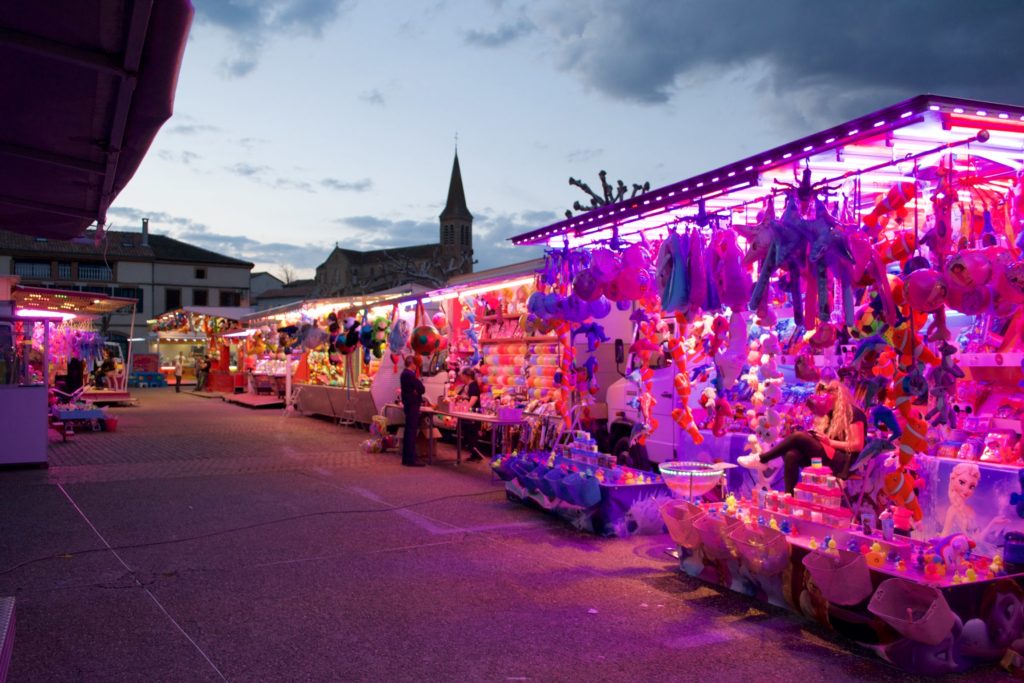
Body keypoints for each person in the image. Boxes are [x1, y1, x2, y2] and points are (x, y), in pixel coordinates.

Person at [738, 378, 866, 493]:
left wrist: (829, 442)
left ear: (838, 396)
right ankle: (790, 498)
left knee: (798, 436)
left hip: (842, 463)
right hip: (826, 458)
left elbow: (857, 445)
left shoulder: (853, 413)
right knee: (791, 454)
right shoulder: (830, 415)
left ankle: (763, 459)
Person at [400, 355, 427, 467]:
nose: (416, 366)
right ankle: (411, 459)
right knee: (411, 431)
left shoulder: (403, 374)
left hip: (408, 404)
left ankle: (406, 458)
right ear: (411, 364)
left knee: (408, 430)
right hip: (412, 405)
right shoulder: (409, 374)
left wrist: (416, 391)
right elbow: (421, 388)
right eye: (415, 364)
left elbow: (418, 389)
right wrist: (416, 391)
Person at [942, 461, 981, 536]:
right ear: (953, 479)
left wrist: (993, 523)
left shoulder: (971, 510)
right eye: (962, 483)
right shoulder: (952, 510)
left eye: (971, 487)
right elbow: (945, 533)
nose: (966, 490)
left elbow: (978, 538)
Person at [459, 367, 484, 462]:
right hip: (471, 413)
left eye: (462, 377)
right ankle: (474, 455)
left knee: (472, 435)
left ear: (467, 376)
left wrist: (466, 408)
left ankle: (476, 454)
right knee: (469, 434)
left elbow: (474, 398)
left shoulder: (473, 385)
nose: (461, 379)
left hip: (474, 414)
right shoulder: (468, 385)